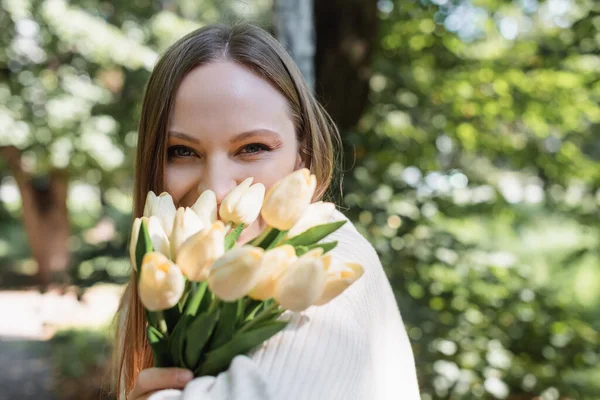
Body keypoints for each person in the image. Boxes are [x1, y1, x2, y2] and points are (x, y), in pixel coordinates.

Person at [115, 22, 421, 400]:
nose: (216, 188)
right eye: (182, 151)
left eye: (253, 147)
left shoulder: (325, 270)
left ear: (302, 154)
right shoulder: (171, 283)